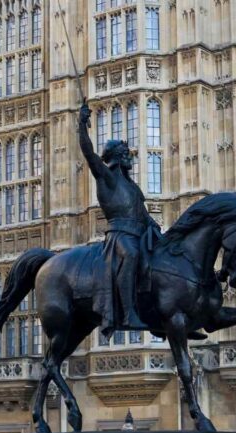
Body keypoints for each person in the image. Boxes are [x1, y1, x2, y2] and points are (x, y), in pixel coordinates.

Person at [78, 103, 160, 336]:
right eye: (125, 154)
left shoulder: (131, 187)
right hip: (120, 236)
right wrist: (81, 124)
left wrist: (153, 226)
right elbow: (89, 153)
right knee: (132, 254)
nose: (129, 157)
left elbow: (142, 214)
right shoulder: (107, 177)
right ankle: (127, 313)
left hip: (138, 233)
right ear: (115, 158)